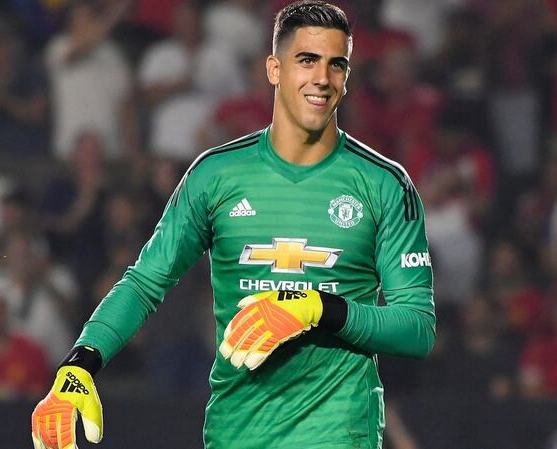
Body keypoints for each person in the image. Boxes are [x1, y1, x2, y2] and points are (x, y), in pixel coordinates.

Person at [30, 2, 436, 449]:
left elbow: (416, 328)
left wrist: (318, 308)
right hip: (235, 434)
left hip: (338, 435)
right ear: (274, 69)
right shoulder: (215, 176)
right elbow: (145, 282)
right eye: (307, 60)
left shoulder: (385, 184)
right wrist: (79, 364)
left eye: (336, 64)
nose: (322, 78)